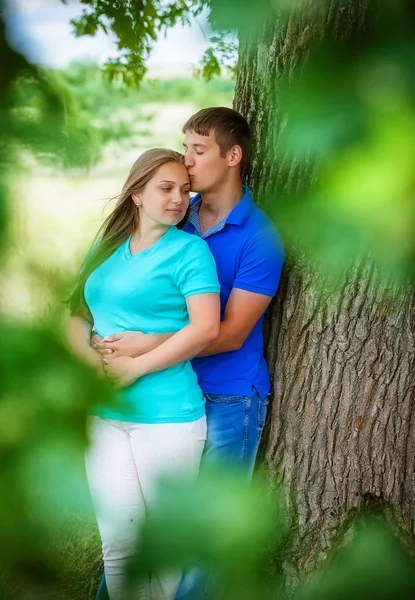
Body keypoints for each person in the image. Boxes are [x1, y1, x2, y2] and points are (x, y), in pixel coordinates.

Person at [93, 107, 285, 600]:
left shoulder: (260, 238)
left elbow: (230, 332)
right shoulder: (180, 215)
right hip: (168, 388)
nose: (187, 162)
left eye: (198, 151)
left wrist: (142, 345)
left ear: (233, 156)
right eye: (185, 149)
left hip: (228, 395)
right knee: (132, 528)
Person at [66, 148, 220, 600]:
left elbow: (206, 327)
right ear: (137, 194)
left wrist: (135, 365)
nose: (178, 199)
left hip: (168, 418)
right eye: (166, 188)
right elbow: (75, 314)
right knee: (118, 543)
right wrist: (94, 365)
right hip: (106, 417)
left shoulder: (191, 252)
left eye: (184, 190)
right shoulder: (106, 247)